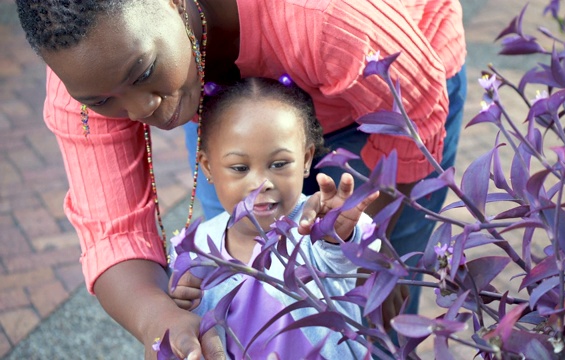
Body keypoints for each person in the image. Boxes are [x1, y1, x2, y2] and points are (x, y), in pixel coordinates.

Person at [16, 0, 466, 358]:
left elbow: (414, 115)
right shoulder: (95, 67)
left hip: (379, 98)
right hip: (212, 92)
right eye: (102, 100)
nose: (139, 112)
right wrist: (160, 320)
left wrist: (368, 256)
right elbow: (112, 232)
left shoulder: (328, 17)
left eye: (143, 73)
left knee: (371, 314)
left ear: (174, 4)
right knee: (236, 292)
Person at [169, 77, 379, 359]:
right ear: (208, 167)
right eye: (240, 167)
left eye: (279, 164)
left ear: (306, 160)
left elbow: (355, 253)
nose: (261, 183)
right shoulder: (197, 248)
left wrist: (337, 232)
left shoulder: (315, 228)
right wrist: (181, 304)